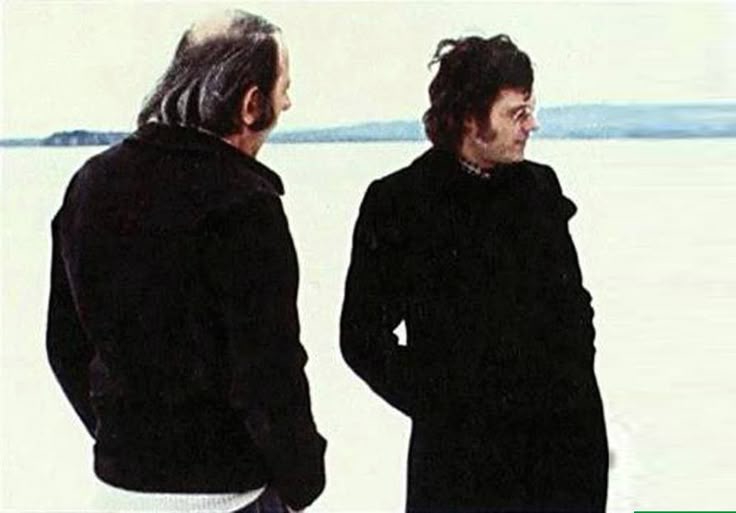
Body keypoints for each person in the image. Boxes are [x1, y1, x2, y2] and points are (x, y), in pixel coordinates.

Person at [46, 10, 326, 513]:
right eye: (284, 87)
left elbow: (65, 345)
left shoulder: (91, 182)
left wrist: (123, 445)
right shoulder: (245, 203)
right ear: (251, 104)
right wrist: (304, 481)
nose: (288, 102)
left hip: (119, 494)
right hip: (228, 496)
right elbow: (269, 372)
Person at [340, 35, 608, 513]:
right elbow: (361, 338)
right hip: (459, 469)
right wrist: (445, 406)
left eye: (530, 110)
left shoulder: (539, 188)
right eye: (516, 113)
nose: (531, 125)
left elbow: (574, 306)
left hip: (561, 456)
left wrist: (573, 394)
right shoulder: (401, 202)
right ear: (469, 118)